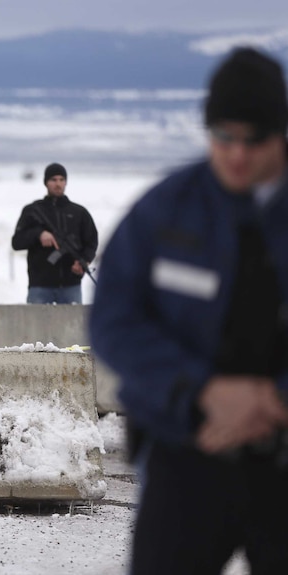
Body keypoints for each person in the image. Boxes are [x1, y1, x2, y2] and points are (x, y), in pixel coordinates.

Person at [89, 47, 288, 574]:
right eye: (225, 137)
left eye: (255, 139)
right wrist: (202, 392)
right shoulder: (167, 212)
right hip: (187, 446)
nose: (238, 155)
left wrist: (270, 400)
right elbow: (113, 319)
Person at [11, 163, 98, 303]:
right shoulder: (33, 211)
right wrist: (39, 234)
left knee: (72, 325)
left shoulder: (79, 213)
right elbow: (17, 242)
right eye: (53, 180)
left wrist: (83, 261)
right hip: (40, 286)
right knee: (36, 325)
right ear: (46, 183)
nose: (58, 184)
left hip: (71, 287)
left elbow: (91, 242)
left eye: (61, 180)